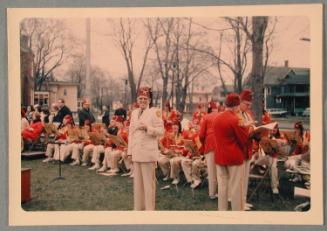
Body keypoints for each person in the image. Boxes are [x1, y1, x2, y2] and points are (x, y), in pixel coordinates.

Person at [127, 86, 164, 210]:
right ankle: (138, 209)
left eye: (145, 98)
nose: (142, 101)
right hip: (137, 152)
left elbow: (161, 131)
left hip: (148, 154)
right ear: (137, 100)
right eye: (140, 98)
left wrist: (148, 128)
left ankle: (149, 211)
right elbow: (131, 132)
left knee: (148, 185)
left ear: (149, 100)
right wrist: (130, 151)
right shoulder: (134, 113)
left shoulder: (155, 112)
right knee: (137, 185)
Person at [213, 93, 248, 211]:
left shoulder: (216, 118)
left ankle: (222, 211)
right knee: (236, 187)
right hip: (234, 158)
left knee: (222, 187)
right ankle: (237, 214)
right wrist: (246, 126)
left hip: (220, 157)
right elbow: (244, 140)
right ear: (236, 106)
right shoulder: (236, 120)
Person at [198, 100, 220, 199]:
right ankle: (222, 192)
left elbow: (201, 135)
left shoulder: (206, 117)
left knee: (211, 170)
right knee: (220, 170)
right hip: (221, 145)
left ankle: (212, 193)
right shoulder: (221, 115)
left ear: (209, 109)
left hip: (210, 144)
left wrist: (204, 143)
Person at [239, 89, 256, 210]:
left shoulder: (247, 114)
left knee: (245, 178)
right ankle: (239, 202)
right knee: (240, 178)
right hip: (240, 150)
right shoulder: (237, 114)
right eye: (246, 104)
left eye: (250, 105)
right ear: (240, 102)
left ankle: (243, 200)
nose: (248, 107)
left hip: (248, 149)